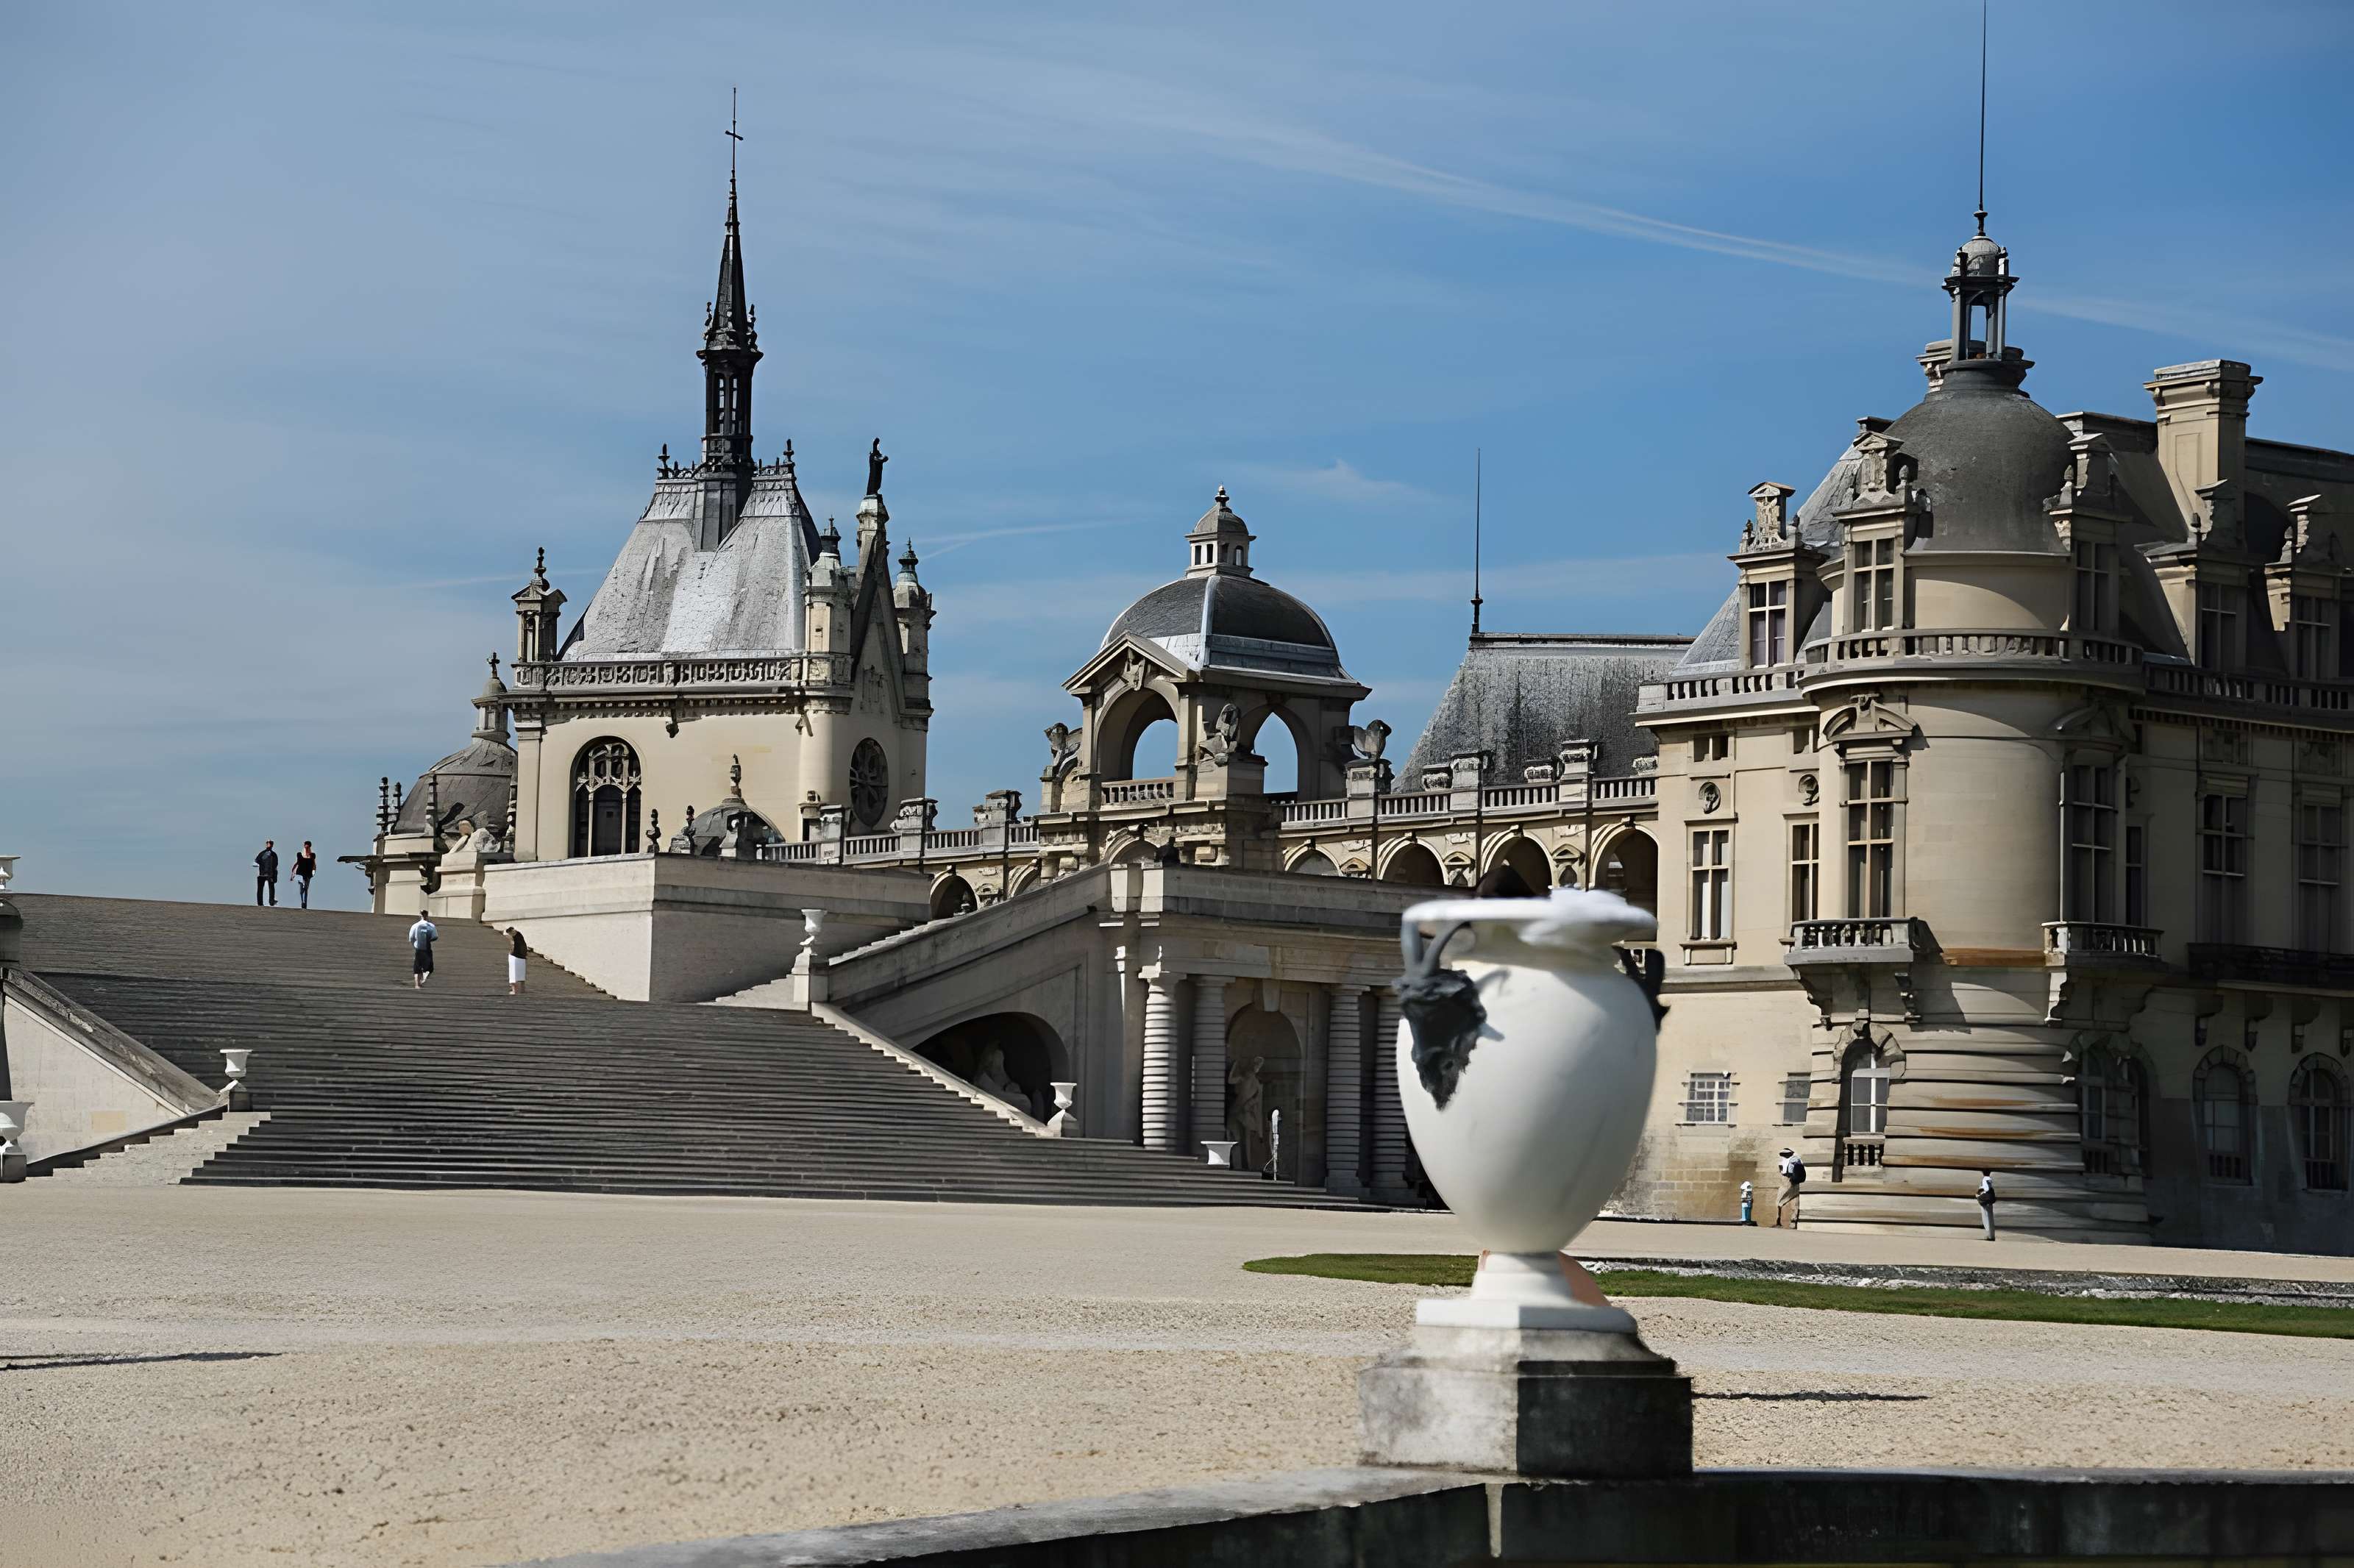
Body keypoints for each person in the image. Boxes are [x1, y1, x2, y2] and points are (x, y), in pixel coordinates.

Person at [1774, 1147, 1806, 1228]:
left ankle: (1786, 1221)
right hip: (1790, 1181)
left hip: (1790, 1180)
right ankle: (1789, 1222)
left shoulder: (1794, 1159)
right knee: (1791, 1201)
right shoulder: (1792, 1159)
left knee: (1782, 1201)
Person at [408, 911, 438, 988]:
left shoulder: (415, 925)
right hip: (427, 949)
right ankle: (422, 980)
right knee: (430, 968)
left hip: (419, 949)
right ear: (427, 916)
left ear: (420, 916)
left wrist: (415, 945)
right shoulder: (431, 926)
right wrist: (427, 939)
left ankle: (417, 985)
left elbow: (411, 938)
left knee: (417, 967)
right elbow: (435, 937)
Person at [291, 842, 318, 909]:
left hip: (308, 874)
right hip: (300, 873)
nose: (307, 849)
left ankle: (305, 902)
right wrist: (293, 874)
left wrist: (313, 872)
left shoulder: (312, 856)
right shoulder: (300, 855)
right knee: (301, 889)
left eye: (308, 847)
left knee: (306, 888)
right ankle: (303, 902)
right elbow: (296, 864)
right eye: (306, 847)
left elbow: (314, 865)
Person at [255, 841, 279, 907]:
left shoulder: (262, 853)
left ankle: (260, 903)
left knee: (260, 889)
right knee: (271, 888)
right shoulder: (274, 854)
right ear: (272, 845)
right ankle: (271, 902)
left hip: (262, 873)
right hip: (270, 874)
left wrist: (262, 865)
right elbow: (276, 864)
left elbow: (257, 860)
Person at [1977, 1169, 1997, 1241]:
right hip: (1990, 1200)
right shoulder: (1990, 1180)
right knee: (1990, 1218)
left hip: (1985, 1201)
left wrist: (1978, 1195)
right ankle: (1992, 1235)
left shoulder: (1985, 1179)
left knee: (1986, 1218)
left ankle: (1989, 1236)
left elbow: (1986, 1189)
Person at [508, 928, 528, 996]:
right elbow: (523, 946)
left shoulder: (514, 937)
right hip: (521, 956)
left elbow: (514, 946)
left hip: (516, 956)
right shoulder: (519, 935)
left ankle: (515, 991)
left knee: (514, 975)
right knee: (520, 975)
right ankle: (521, 990)